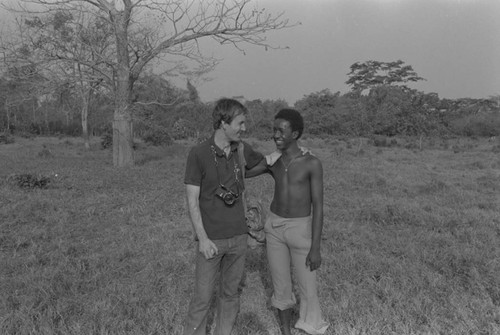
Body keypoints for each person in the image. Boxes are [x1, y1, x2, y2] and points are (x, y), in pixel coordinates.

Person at [182, 98, 265, 335]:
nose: (244, 128)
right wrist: (203, 239)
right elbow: (192, 201)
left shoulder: (242, 149)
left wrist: (295, 153)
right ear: (223, 123)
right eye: (240, 123)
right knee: (202, 299)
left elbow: (267, 162)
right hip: (212, 240)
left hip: (239, 238)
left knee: (230, 295)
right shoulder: (198, 154)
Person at [247, 108, 329, 335]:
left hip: (300, 229)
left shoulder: (311, 163)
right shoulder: (273, 162)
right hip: (273, 227)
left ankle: (311, 327)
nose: (275, 135)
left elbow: (318, 206)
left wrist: (315, 247)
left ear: (295, 133)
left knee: (308, 288)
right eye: (274, 130)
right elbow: (244, 172)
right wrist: (238, 147)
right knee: (280, 284)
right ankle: (285, 331)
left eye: (281, 130)